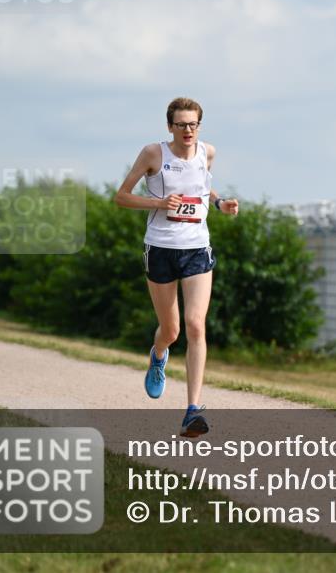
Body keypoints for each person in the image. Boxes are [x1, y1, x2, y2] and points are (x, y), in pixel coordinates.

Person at [114, 97, 239, 437]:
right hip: (160, 248)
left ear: (199, 126)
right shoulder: (153, 154)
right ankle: (159, 355)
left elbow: (201, 188)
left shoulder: (207, 153)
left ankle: (192, 410)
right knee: (171, 331)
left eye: (193, 124)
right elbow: (122, 196)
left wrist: (220, 203)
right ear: (170, 126)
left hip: (197, 248)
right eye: (181, 124)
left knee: (196, 325)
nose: (187, 130)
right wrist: (158, 202)